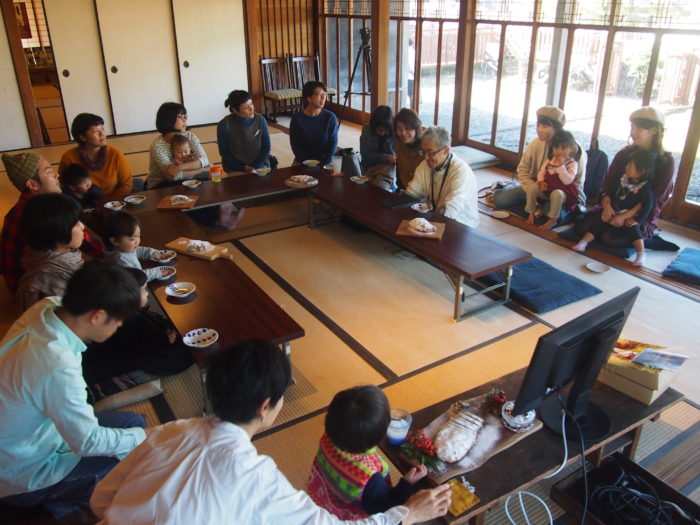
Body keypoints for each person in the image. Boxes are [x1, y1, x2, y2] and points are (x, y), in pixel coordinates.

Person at [90, 339, 451, 524]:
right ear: (266, 406)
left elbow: (101, 498)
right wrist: (409, 514)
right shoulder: (254, 477)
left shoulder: (168, 431)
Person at [0, 262, 146, 519]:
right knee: (137, 454)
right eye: (119, 320)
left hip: (38, 436)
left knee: (133, 423)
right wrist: (146, 438)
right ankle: (62, 508)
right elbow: (86, 441)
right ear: (97, 316)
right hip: (22, 472)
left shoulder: (46, 308)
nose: (120, 325)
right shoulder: (56, 365)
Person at [308, 385, 427, 519]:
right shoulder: (369, 477)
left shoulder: (330, 437)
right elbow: (382, 510)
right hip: (346, 515)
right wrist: (406, 485)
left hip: (323, 493)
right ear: (380, 435)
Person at [578, 106, 676, 250]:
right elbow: (608, 185)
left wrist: (626, 217)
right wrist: (607, 206)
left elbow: (655, 199)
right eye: (632, 127)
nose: (633, 132)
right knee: (581, 227)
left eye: (639, 129)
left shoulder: (666, 161)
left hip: (639, 214)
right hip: (615, 206)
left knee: (612, 240)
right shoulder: (624, 154)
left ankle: (649, 241)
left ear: (654, 130)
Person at [82, 267, 194, 389]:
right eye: (144, 290)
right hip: (145, 359)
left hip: (124, 352)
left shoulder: (115, 309)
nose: (147, 293)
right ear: (128, 297)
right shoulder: (128, 319)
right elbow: (144, 348)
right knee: (188, 352)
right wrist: (166, 339)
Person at [493, 106, 587, 225]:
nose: (539, 130)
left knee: (551, 212)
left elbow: (577, 184)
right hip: (539, 188)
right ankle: (537, 206)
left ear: (557, 129)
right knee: (500, 200)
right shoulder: (536, 143)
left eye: (544, 126)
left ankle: (543, 209)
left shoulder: (573, 149)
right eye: (538, 125)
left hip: (563, 194)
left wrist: (560, 197)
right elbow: (522, 169)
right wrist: (533, 186)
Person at [572, 149, 655, 267]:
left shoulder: (645, 189)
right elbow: (609, 192)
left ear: (641, 171)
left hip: (629, 216)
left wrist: (638, 220)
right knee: (599, 223)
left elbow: (647, 206)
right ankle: (583, 243)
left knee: (634, 231)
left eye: (630, 165)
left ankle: (641, 254)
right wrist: (608, 205)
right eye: (627, 163)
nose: (626, 166)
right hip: (613, 211)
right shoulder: (622, 180)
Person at [1, 152, 62, 293]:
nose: (56, 175)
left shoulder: (23, 206)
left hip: (24, 283)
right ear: (32, 184)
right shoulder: (43, 214)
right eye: (48, 172)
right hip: (33, 293)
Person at [15, 194, 85, 312]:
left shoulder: (50, 254)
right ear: (59, 231)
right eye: (76, 224)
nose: (82, 227)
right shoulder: (45, 283)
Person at [405, 126, 479, 228]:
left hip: (461, 223)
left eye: (430, 153)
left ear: (446, 150)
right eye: (423, 152)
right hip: (436, 216)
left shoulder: (460, 171)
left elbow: (451, 209)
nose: (426, 157)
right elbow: (411, 193)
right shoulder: (424, 165)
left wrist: (430, 226)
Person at [58, 113, 133, 200]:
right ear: (82, 137)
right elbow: (64, 187)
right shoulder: (68, 158)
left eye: (102, 129)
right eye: (95, 131)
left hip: (114, 203)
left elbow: (126, 184)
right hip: (83, 204)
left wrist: (109, 203)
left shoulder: (116, 154)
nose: (102, 134)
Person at [146, 102, 209, 188]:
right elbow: (173, 176)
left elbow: (205, 160)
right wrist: (201, 169)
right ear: (168, 119)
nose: (184, 120)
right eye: (180, 117)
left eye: (185, 116)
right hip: (161, 185)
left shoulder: (190, 136)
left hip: (188, 178)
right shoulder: (157, 146)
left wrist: (180, 167)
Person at [528, 129, 581, 230]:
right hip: (548, 189)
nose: (559, 151)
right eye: (556, 148)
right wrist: (540, 181)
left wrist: (561, 166)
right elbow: (542, 172)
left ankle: (553, 220)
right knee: (532, 187)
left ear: (571, 148)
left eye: (563, 148)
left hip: (564, 193)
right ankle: (531, 212)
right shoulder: (550, 160)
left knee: (557, 193)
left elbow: (567, 180)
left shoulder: (572, 164)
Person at [102, 211, 171, 281]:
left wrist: (153, 253)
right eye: (132, 239)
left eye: (138, 236)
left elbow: (137, 250)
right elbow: (138, 278)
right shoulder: (121, 260)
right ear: (115, 241)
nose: (137, 241)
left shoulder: (121, 249)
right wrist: (157, 272)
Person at [217, 89, 272, 173]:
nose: (251, 109)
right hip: (235, 168)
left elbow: (266, 147)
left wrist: (254, 166)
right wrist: (242, 168)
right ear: (235, 110)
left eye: (251, 104)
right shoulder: (224, 125)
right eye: (246, 107)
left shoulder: (260, 120)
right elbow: (224, 153)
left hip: (260, 165)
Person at [290, 81, 339, 166]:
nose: (323, 97)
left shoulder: (330, 118)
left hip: (326, 162)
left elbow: (333, 145)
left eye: (324, 94)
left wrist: (324, 164)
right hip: (303, 162)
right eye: (319, 94)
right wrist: (308, 163)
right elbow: (296, 146)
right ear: (308, 98)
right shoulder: (297, 119)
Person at [359, 106, 397, 191]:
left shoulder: (394, 133)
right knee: (368, 186)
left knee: (381, 183)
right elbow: (366, 155)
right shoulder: (367, 130)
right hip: (370, 167)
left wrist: (392, 159)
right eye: (379, 130)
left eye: (385, 131)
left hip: (388, 169)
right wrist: (386, 157)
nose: (382, 133)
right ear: (374, 126)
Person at [393, 108, 424, 189]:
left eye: (407, 128)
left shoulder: (425, 146)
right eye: (399, 129)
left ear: (415, 128)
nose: (403, 133)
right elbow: (399, 172)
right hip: (405, 188)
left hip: (422, 192)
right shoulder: (398, 144)